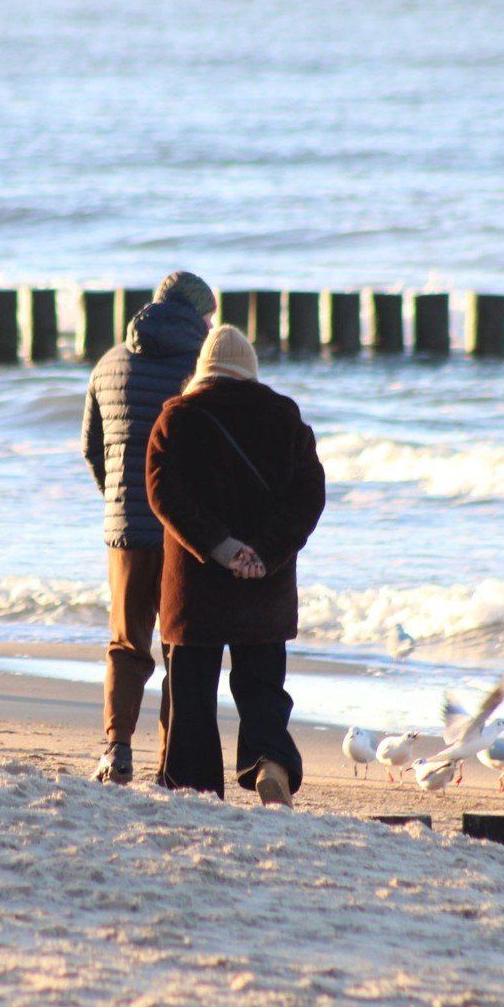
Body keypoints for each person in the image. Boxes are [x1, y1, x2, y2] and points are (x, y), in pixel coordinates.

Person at [145, 325, 325, 806]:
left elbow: (164, 495)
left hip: (195, 586)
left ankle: (196, 788)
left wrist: (222, 548)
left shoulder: (177, 418)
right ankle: (270, 762)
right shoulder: (284, 417)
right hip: (263, 588)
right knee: (262, 684)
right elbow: (309, 497)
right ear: (250, 370)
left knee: (192, 692)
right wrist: (263, 554)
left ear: (203, 369)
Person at [81, 270, 213, 785]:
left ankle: (115, 750)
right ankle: (170, 765)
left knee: (126, 644)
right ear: (202, 316)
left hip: (125, 528)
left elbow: (92, 449)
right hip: (183, 531)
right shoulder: (200, 368)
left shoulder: (111, 362)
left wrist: (118, 496)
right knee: (181, 648)